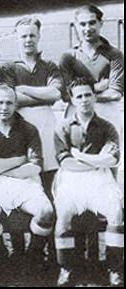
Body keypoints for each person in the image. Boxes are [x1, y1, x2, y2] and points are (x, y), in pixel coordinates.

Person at [0, 84, 55, 279]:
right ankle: (0, 254)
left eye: (9, 102)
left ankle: (33, 255)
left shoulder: (29, 129)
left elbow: (35, 167)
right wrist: (19, 160)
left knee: (46, 212)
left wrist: (0, 166)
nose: (4, 107)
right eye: (0, 103)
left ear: (16, 105)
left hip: (26, 183)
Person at [2, 16, 63, 262]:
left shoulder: (50, 66)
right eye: (23, 36)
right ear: (17, 39)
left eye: (32, 35)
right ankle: (18, 250)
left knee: (48, 190)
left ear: (39, 37)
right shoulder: (8, 68)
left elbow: (56, 93)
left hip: (47, 133)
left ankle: (45, 249)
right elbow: (8, 97)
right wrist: (39, 95)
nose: (28, 40)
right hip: (18, 133)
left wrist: (24, 90)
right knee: (19, 187)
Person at [53, 78, 123, 287]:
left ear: (94, 97)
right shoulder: (63, 127)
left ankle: (115, 269)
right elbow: (66, 163)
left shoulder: (107, 126)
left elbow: (112, 159)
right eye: (79, 96)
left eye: (88, 95)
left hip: (100, 180)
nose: (84, 100)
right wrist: (96, 161)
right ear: (73, 100)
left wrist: (81, 156)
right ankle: (66, 268)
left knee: (115, 211)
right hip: (72, 179)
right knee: (63, 213)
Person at [59, 4, 124, 176]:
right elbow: (66, 95)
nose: (87, 28)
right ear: (76, 26)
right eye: (82, 24)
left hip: (107, 113)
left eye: (92, 23)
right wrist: (96, 88)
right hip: (77, 114)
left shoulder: (114, 54)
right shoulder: (68, 57)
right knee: (78, 158)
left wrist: (82, 94)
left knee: (108, 161)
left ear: (100, 23)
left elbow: (115, 93)